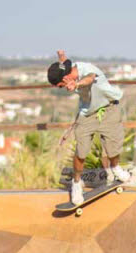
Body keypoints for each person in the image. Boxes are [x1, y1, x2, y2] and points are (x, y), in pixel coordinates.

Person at [47, 50, 130, 204]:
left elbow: (90, 79)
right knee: (81, 151)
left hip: (109, 109)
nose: (62, 88)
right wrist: (61, 56)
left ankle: (116, 168)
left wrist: (77, 84)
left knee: (114, 148)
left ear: (65, 78)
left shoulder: (87, 70)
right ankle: (77, 183)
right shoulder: (67, 68)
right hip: (87, 114)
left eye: (60, 85)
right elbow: (65, 63)